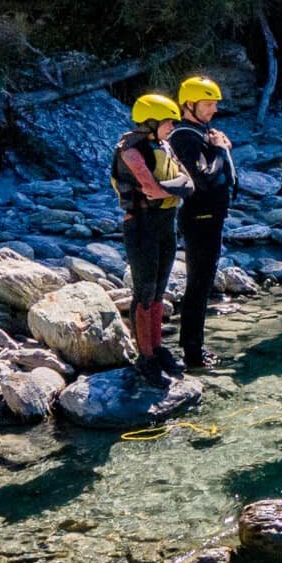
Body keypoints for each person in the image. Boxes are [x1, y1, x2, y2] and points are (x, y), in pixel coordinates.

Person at [109, 94, 195, 387]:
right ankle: (144, 357)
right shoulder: (131, 151)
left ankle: (157, 349)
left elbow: (189, 183)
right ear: (151, 122)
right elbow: (152, 189)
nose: (172, 126)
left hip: (164, 224)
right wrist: (174, 188)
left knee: (159, 290)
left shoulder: (164, 146)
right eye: (168, 121)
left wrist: (169, 189)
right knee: (144, 292)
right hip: (142, 226)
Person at [166, 75, 236, 372]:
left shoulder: (198, 132)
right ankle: (192, 350)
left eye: (215, 104)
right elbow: (204, 179)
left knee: (203, 281)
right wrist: (220, 149)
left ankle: (194, 344)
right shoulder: (185, 136)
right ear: (189, 105)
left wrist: (220, 148)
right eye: (208, 104)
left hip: (210, 217)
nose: (214, 110)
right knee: (199, 282)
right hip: (200, 217)